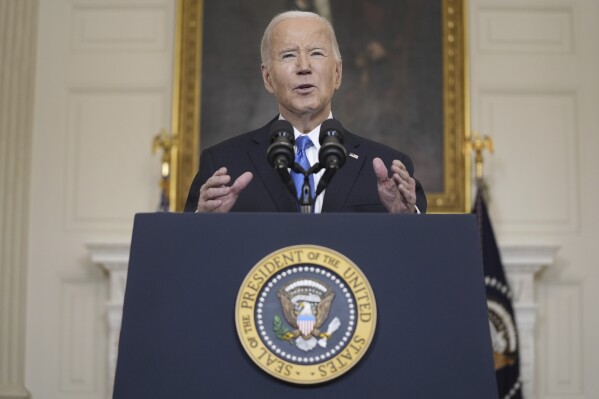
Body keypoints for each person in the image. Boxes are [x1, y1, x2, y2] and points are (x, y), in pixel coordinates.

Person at [184, 10, 427, 214]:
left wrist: (405, 220)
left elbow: (422, 258)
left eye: (316, 53)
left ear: (337, 74)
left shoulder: (387, 169)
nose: (304, 67)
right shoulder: (224, 166)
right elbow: (186, 254)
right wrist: (203, 222)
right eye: (289, 55)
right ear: (267, 78)